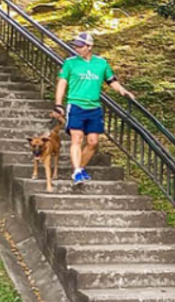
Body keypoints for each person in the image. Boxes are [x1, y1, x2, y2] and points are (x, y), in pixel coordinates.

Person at [53, 32, 135, 186]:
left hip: (94, 107)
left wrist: (122, 90)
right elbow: (62, 83)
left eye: (80, 46)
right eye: (75, 46)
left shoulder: (101, 63)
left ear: (89, 46)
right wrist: (58, 104)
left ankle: (80, 168)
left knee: (93, 142)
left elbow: (111, 80)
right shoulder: (70, 63)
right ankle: (77, 172)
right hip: (76, 105)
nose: (77, 49)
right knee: (77, 138)